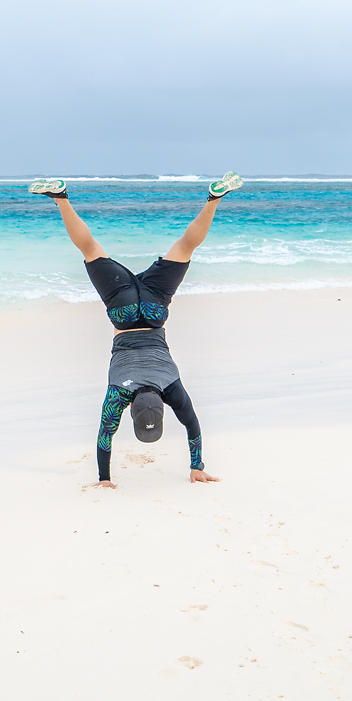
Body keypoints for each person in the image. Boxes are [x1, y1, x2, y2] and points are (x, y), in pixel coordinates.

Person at [28, 173, 244, 487]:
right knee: (90, 250)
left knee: (184, 248)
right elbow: (105, 436)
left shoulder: (172, 387)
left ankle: (214, 200)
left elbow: (193, 426)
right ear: (131, 406)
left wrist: (197, 464)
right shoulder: (119, 391)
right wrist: (104, 479)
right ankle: (60, 197)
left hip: (155, 308)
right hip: (123, 311)